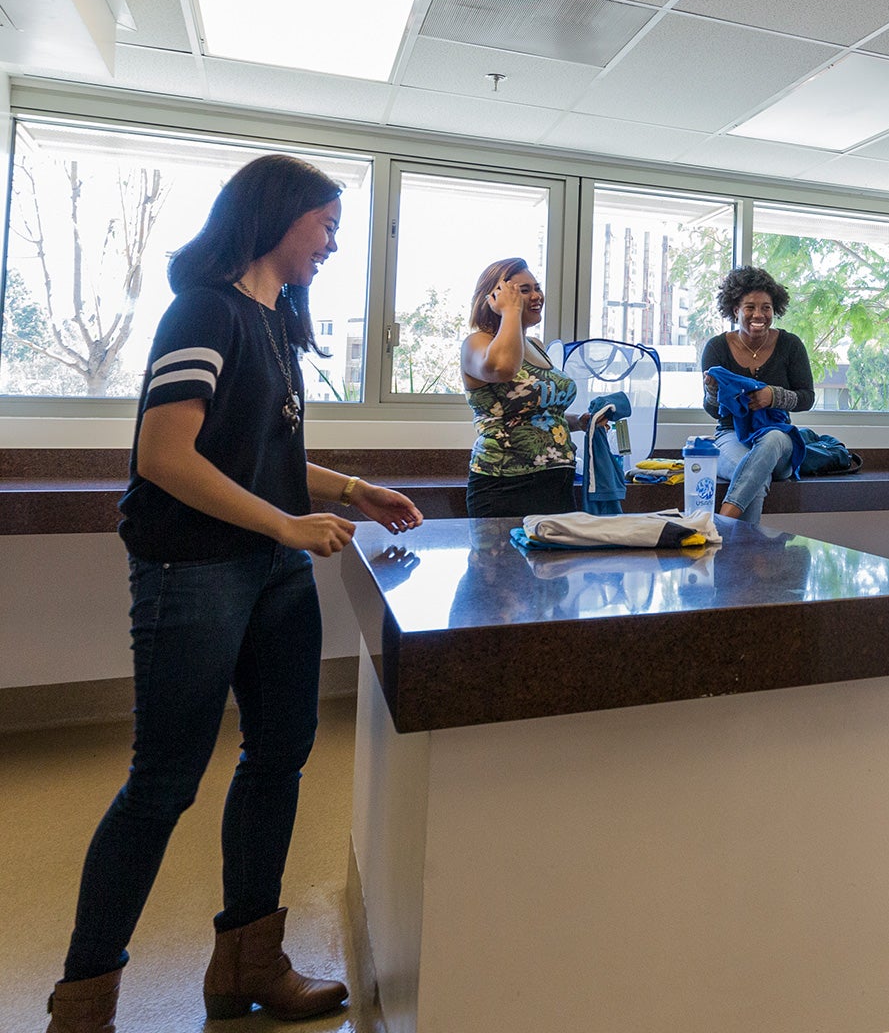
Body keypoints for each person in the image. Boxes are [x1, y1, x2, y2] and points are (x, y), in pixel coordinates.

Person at [47, 154, 424, 1032]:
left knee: (278, 756)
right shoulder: (205, 309)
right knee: (163, 782)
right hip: (197, 569)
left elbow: (265, 453)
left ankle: (247, 964)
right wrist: (288, 526)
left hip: (273, 573)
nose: (332, 243)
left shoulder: (276, 321)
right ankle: (83, 1000)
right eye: (325, 226)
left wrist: (348, 490)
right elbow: (164, 457)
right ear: (277, 216)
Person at [461, 257, 610, 518]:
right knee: (505, 560)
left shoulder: (537, 345)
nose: (536, 296)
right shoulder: (476, 343)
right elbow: (504, 368)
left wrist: (579, 421)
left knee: (555, 560)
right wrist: (510, 313)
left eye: (536, 287)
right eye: (523, 291)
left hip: (556, 481)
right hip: (504, 484)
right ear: (494, 298)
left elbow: (538, 413)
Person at [697, 266, 814, 524]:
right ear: (735, 310)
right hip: (731, 435)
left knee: (772, 438)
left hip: (779, 439)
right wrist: (713, 392)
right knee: (754, 475)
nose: (759, 314)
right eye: (750, 307)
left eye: (766, 307)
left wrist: (773, 396)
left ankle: (722, 523)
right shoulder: (717, 348)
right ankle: (748, 560)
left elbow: (807, 397)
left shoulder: (790, 345)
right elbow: (714, 411)